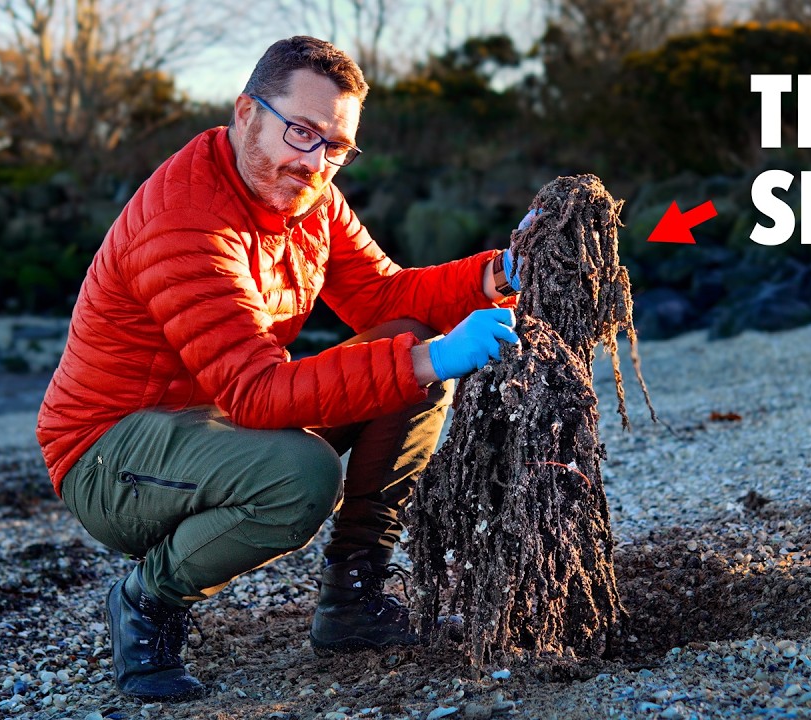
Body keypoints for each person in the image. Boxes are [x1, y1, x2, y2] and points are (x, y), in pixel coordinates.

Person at [36, 36, 535, 702]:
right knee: (304, 475)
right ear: (245, 114)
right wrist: (436, 359)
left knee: (405, 338)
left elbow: (384, 299)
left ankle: (352, 595)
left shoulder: (311, 200)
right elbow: (254, 393)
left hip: (213, 422)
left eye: (336, 146)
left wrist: (499, 272)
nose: (315, 162)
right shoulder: (184, 222)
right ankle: (146, 599)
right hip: (107, 454)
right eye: (300, 132)